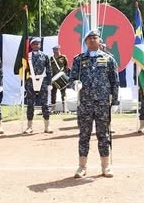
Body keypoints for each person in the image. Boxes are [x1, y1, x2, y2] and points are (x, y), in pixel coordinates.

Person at [69, 29, 119, 178]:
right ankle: (82, 167)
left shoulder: (109, 59)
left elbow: (115, 82)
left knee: (103, 135)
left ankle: (106, 166)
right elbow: (71, 79)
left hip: (102, 103)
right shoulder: (78, 59)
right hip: (84, 103)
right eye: (89, 38)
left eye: (95, 37)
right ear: (85, 41)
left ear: (99, 41)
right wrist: (75, 85)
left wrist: (115, 101)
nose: (92, 40)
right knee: (84, 135)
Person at [24, 37, 52, 134]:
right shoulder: (27, 56)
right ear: (31, 46)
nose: (36, 45)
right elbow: (24, 70)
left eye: (38, 44)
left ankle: (47, 126)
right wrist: (24, 82)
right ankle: (29, 127)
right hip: (30, 81)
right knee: (30, 104)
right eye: (34, 44)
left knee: (45, 104)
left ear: (40, 45)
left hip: (42, 81)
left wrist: (49, 83)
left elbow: (49, 70)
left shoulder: (45, 56)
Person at [49, 45, 69, 113]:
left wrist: (64, 75)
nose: (55, 51)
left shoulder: (63, 57)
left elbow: (66, 67)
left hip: (61, 77)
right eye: (54, 49)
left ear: (59, 49)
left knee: (63, 93)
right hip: (54, 78)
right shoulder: (51, 58)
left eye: (56, 49)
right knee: (53, 93)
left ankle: (65, 108)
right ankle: (53, 108)